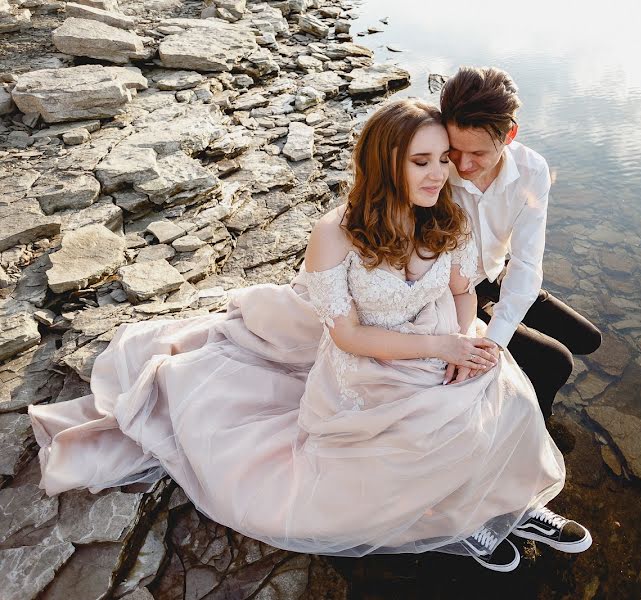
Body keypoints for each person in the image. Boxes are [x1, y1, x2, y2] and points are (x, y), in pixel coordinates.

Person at [28, 99, 590, 573]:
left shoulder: (447, 215)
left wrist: (465, 341)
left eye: (444, 159)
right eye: (422, 161)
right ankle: (466, 524)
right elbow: (347, 336)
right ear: (385, 162)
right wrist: (442, 347)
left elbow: (465, 290)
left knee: (505, 398)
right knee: (423, 440)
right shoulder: (336, 234)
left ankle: (509, 507)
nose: (440, 173)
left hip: (438, 334)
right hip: (368, 365)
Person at [439, 66, 604, 419]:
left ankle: (517, 376)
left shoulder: (532, 170)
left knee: (588, 340)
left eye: (478, 154)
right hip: (455, 290)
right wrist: (488, 341)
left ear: (510, 134)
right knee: (555, 363)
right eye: (454, 150)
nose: (463, 165)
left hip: (498, 271)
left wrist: (498, 336)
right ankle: (536, 426)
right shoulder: (432, 172)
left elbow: (527, 261)